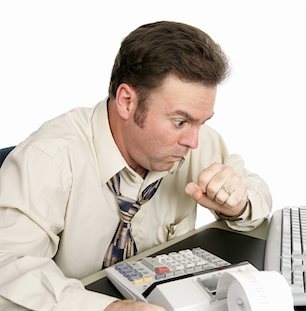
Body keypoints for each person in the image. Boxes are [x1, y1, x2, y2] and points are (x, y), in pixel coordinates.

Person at [0, 21, 271, 310]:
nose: (193, 141)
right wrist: (108, 309)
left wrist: (238, 205)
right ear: (127, 102)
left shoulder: (196, 141)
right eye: (180, 122)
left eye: (201, 122)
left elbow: (256, 194)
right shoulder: (49, 158)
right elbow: (8, 266)